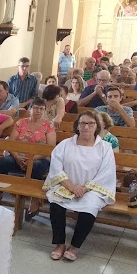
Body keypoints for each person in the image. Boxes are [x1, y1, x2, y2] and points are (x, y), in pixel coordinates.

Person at [43, 111, 116, 261]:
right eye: (82, 123)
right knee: (56, 205)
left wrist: (84, 188)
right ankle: (60, 244)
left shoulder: (105, 147)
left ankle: (75, 247)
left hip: (92, 189)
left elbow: (105, 172)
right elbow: (56, 167)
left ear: (96, 126)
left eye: (90, 123)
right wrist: (70, 186)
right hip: (67, 185)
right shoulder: (65, 144)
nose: (86, 127)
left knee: (89, 208)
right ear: (77, 126)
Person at [0, 99, 56, 218]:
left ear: (45, 111)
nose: (38, 111)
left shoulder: (49, 125)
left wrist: (31, 159)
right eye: (36, 108)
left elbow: (50, 148)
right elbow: (11, 143)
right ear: (30, 109)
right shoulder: (21, 123)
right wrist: (16, 157)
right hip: (18, 157)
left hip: (39, 158)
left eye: (41, 109)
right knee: (2, 162)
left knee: (36, 167)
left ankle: (34, 199)